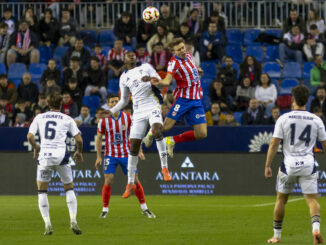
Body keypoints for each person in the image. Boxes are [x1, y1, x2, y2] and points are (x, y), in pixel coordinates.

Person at [104, 51, 171, 198]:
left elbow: (161, 83)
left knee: (158, 130)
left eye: (133, 54)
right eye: (128, 55)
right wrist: (111, 111)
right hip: (138, 111)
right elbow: (124, 101)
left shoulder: (146, 66)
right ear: (124, 60)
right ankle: (130, 183)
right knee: (134, 146)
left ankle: (165, 168)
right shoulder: (124, 77)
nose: (131, 55)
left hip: (152, 105)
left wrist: (152, 79)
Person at [265, 85, 325, 244]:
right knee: (312, 200)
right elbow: (325, 144)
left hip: (288, 165)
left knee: (281, 200)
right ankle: (316, 229)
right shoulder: (316, 119)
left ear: (292, 100)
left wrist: (267, 165)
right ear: (307, 100)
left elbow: (273, 144)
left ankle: (276, 236)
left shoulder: (283, 119)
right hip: (308, 164)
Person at [27, 93, 83, 235]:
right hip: (61, 157)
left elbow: (29, 136)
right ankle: (73, 220)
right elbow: (79, 139)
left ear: (48, 103)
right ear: (61, 105)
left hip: (45, 157)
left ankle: (47, 223)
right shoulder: (67, 118)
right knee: (69, 188)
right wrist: (79, 152)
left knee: (42, 191)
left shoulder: (39, 117)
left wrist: (36, 147)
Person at [144, 38, 207, 158]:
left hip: (196, 100)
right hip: (183, 100)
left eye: (183, 47)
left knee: (202, 133)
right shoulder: (173, 63)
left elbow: (191, 69)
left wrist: (197, 71)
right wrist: (157, 83)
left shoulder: (188, 55)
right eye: (179, 50)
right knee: (166, 127)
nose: (183, 51)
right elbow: (167, 81)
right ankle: (150, 134)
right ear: (173, 52)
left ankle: (172, 140)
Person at [95, 94, 156, 219]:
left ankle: (144, 208)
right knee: (108, 179)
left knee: (135, 180)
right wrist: (98, 157)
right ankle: (105, 209)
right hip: (110, 155)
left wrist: (139, 150)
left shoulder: (128, 118)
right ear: (108, 104)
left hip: (127, 154)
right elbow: (99, 138)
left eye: (117, 101)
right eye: (112, 102)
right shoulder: (103, 120)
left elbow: (136, 134)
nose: (115, 103)